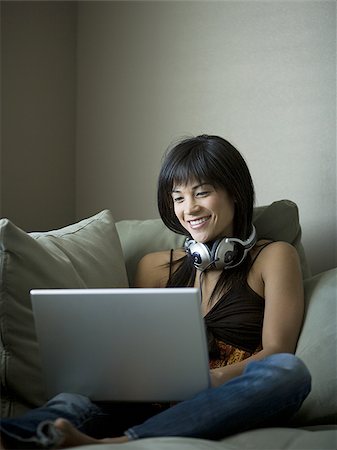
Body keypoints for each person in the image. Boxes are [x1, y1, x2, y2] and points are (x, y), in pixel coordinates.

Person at [0, 135, 311, 449]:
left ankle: (121, 442)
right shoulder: (155, 267)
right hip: (148, 400)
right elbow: (136, 352)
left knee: (289, 372)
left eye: (202, 192)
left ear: (235, 193)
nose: (189, 208)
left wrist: (207, 381)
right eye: (178, 198)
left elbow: (277, 351)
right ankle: (16, 436)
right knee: (76, 396)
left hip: (223, 399)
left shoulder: (275, 257)